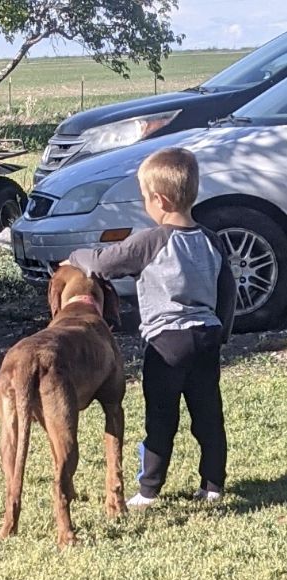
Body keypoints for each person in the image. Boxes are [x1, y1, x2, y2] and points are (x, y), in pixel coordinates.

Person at [60, 147, 236, 506]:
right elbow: (228, 290)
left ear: (159, 199)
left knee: (160, 416)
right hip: (206, 337)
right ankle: (213, 486)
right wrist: (223, 333)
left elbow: (103, 265)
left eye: (144, 198)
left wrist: (75, 257)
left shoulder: (152, 240)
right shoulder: (211, 239)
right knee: (208, 415)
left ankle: (149, 491)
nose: (144, 205)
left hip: (166, 344)